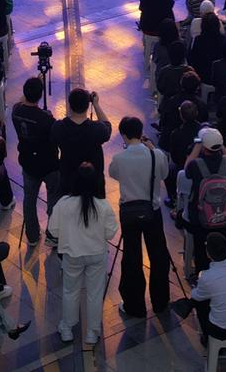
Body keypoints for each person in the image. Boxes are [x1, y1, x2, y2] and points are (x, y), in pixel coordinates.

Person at [50, 167, 119, 348]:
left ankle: (67, 328)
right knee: (95, 293)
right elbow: (110, 233)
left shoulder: (64, 204)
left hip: (72, 254)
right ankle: (92, 332)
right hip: (96, 254)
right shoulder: (103, 205)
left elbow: (53, 230)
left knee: (70, 291)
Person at [110, 116, 171, 317]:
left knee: (131, 257)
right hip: (152, 209)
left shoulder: (119, 158)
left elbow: (114, 174)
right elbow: (164, 174)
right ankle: (160, 301)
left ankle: (134, 305)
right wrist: (152, 148)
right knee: (158, 255)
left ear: (124, 135)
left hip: (129, 211)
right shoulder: (156, 155)